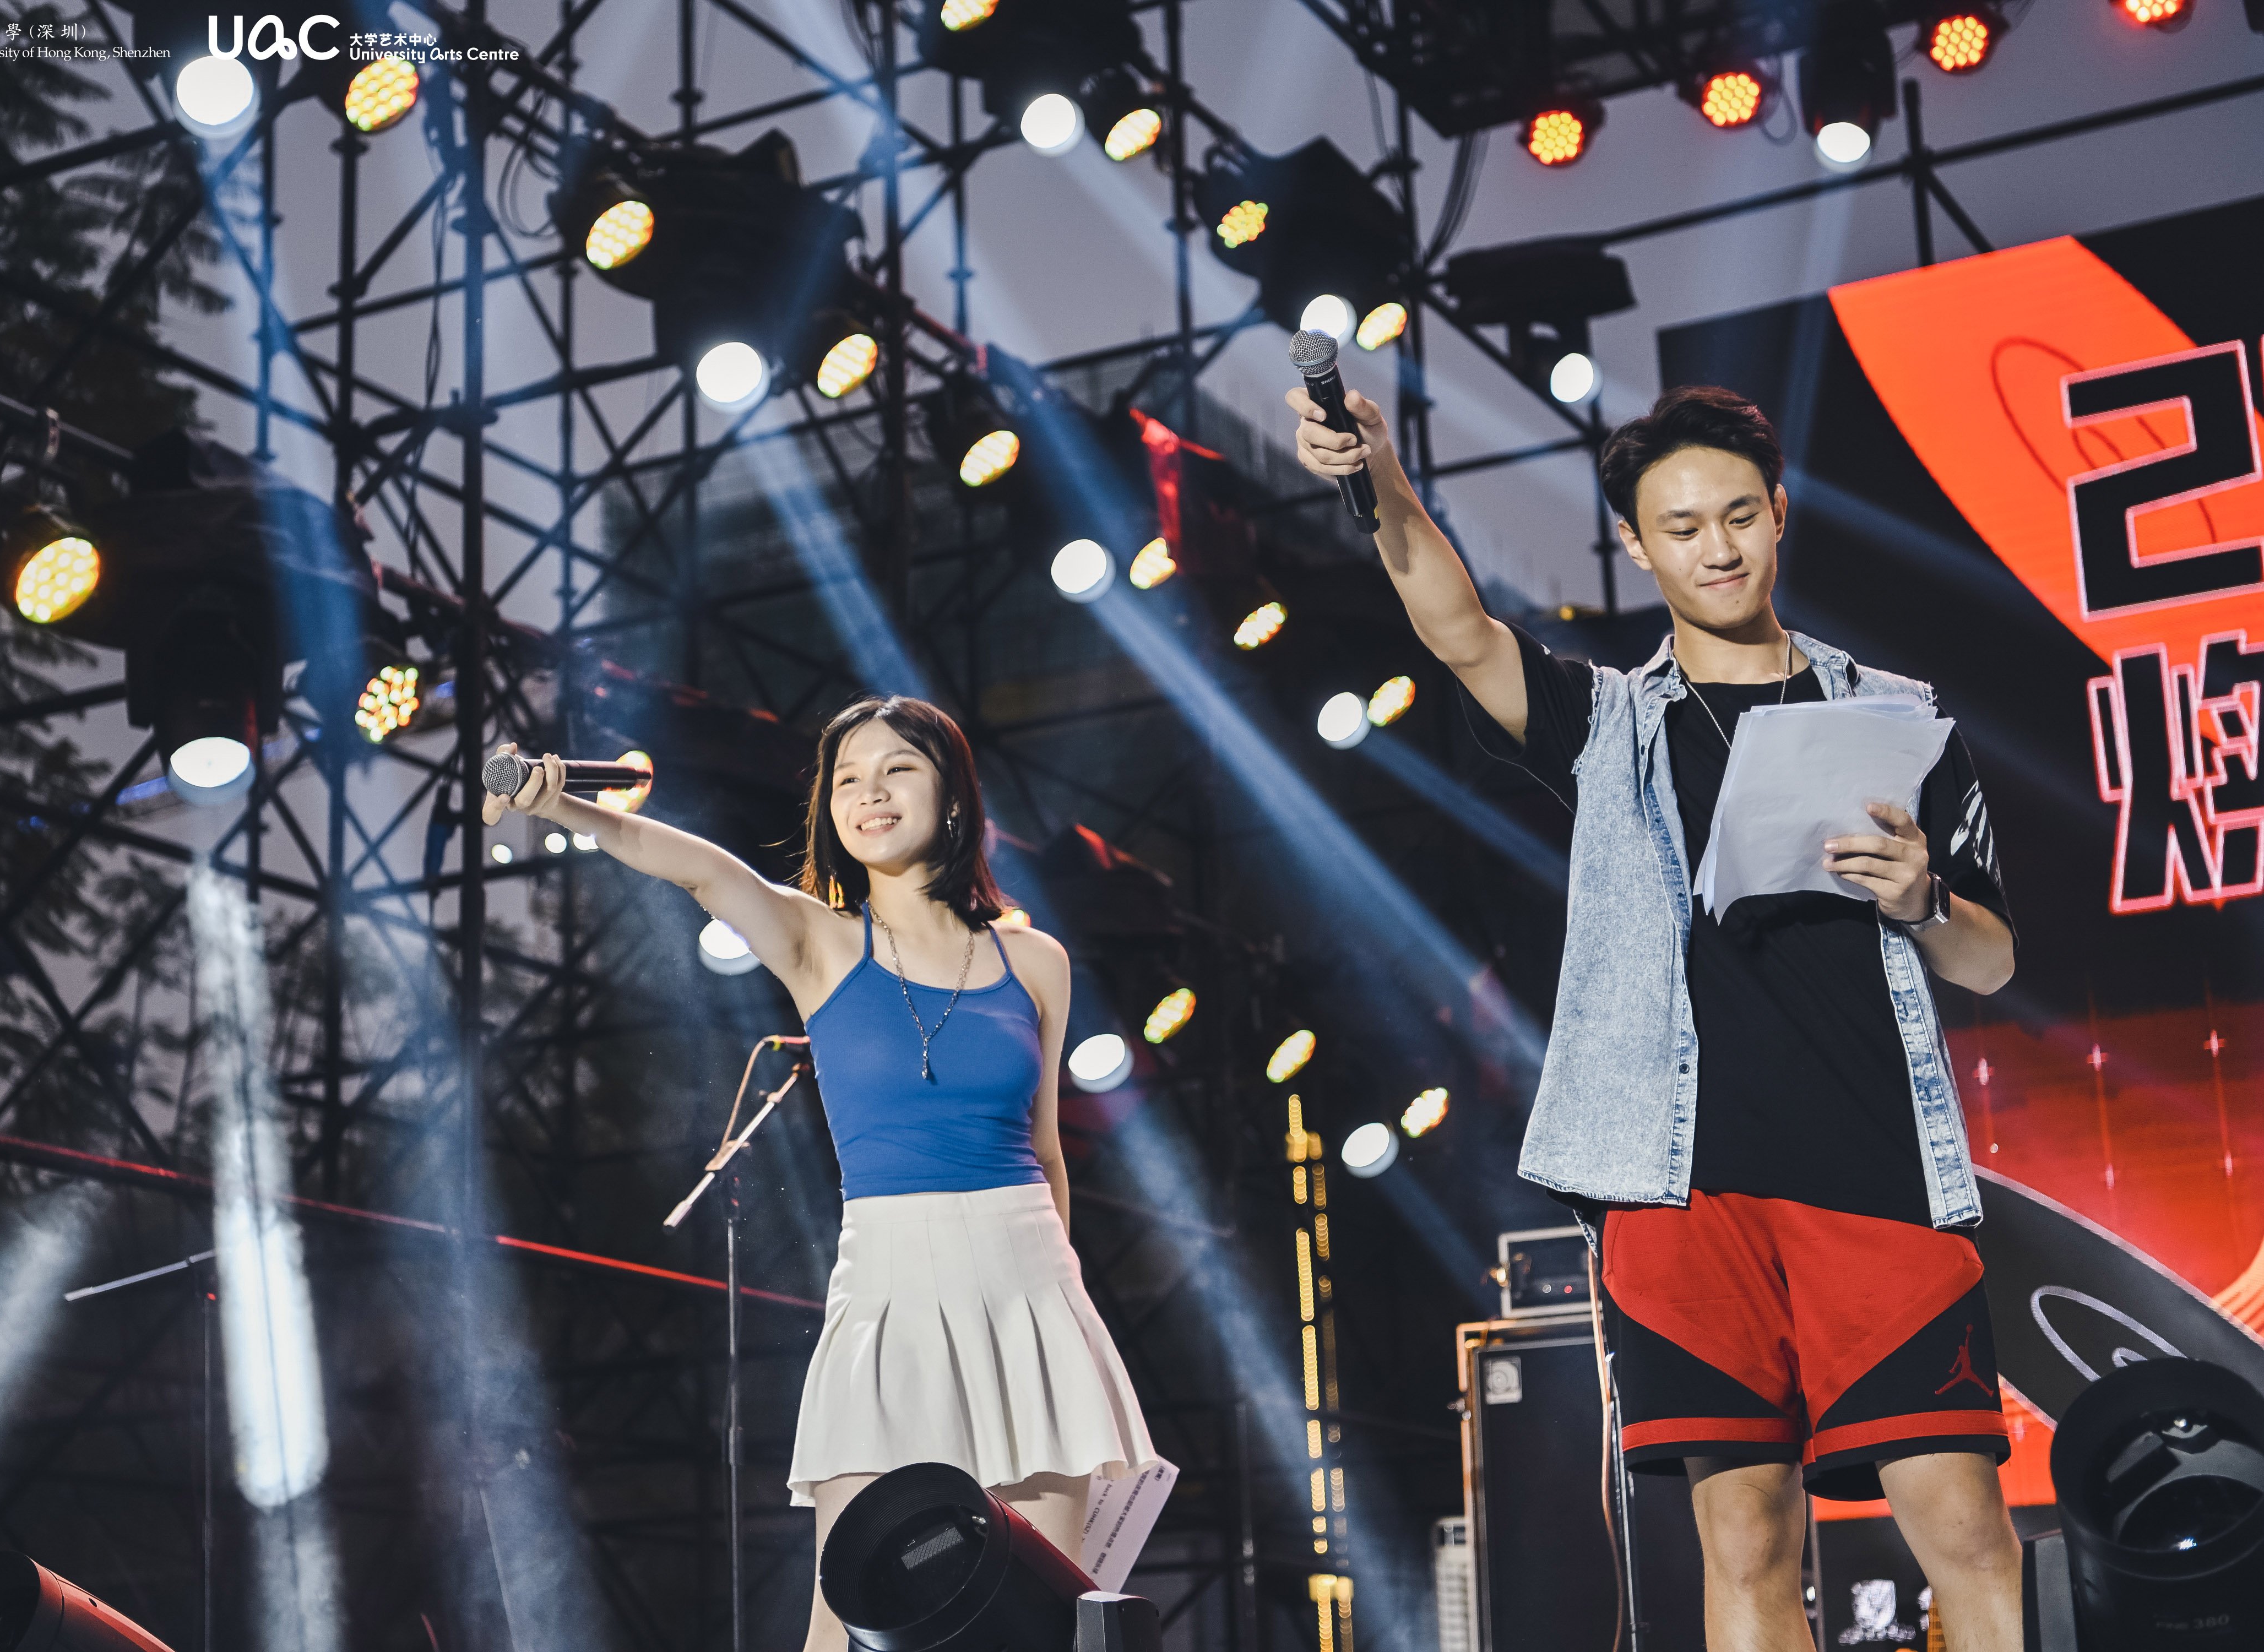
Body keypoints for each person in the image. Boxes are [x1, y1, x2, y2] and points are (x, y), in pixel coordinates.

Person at [1289, 382, 2022, 1651]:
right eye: (1682, 527)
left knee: (1964, 1526)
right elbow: (1459, 628)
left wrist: (1922, 899)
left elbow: (1994, 963)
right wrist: (1382, 482)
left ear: (1779, 513)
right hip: (1681, 1192)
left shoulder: (1896, 718)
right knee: (1744, 1541)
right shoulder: (1606, 723)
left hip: (1878, 1176)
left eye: (1738, 515)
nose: (1716, 547)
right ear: (1636, 544)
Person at [484, 694, 1156, 1652]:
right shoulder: (821, 939)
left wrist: (1063, 1309)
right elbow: (703, 871)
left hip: (1030, 1284)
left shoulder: (1035, 961)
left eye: (898, 770)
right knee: (846, 1626)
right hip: (891, 1284)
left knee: (1040, 1622)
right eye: (847, 779)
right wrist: (564, 805)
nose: (869, 793)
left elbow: (1046, 1151)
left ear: (953, 797)